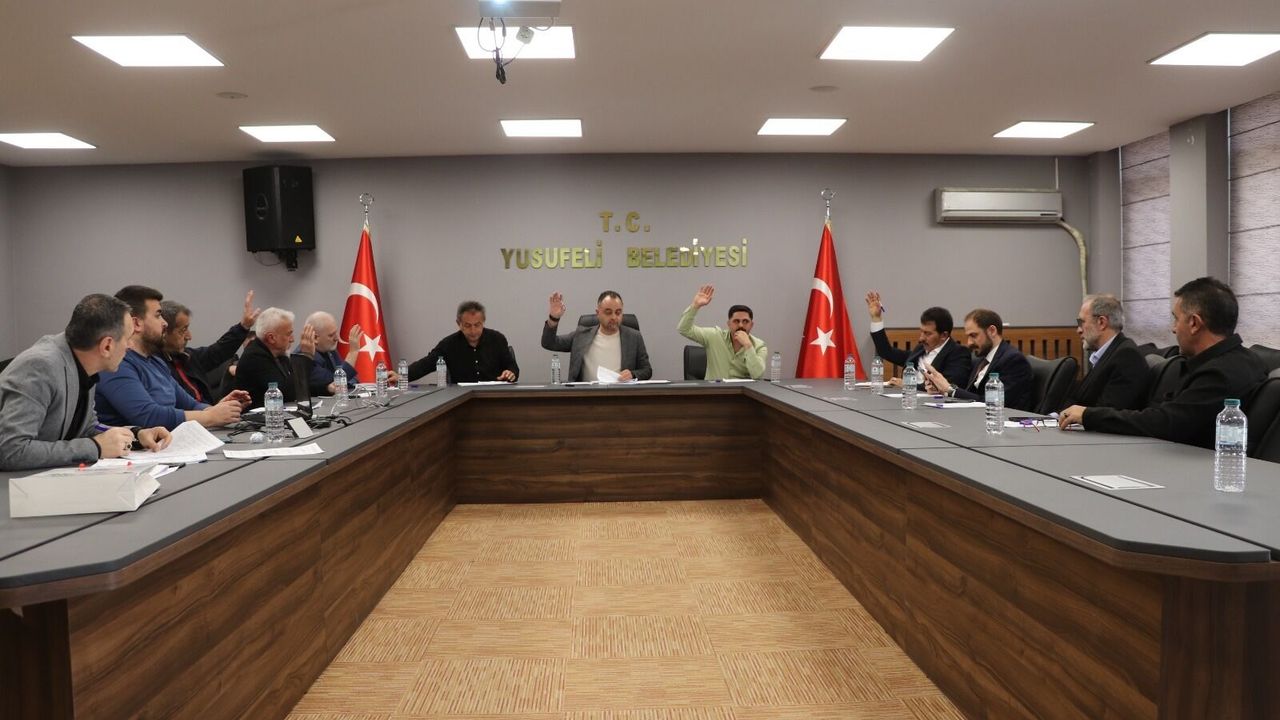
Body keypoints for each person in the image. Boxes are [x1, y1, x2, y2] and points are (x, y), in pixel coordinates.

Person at [1059, 277, 1268, 447]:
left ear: (1194, 323)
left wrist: (1089, 415)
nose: (1173, 329)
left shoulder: (1220, 374)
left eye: (1176, 319)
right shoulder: (1243, 360)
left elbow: (1166, 423)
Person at [0, 294, 171, 470]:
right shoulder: (40, 367)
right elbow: (10, 451)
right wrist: (95, 447)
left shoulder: (83, 362)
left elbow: (87, 428)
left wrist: (135, 435)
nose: (130, 346)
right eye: (128, 339)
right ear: (107, 346)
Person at [96, 286, 249, 429]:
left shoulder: (156, 362)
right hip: (135, 447)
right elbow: (148, 416)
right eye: (158, 315)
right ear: (136, 323)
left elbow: (191, 405)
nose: (164, 323)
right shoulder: (117, 365)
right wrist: (210, 416)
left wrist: (219, 410)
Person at [922, 308, 1034, 411]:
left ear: (992, 331)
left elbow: (995, 403)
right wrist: (942, 390)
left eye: (973, 335)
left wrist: (950, 390)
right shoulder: (981, 359)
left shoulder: (1013, 360)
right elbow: (970, 394)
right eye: (968, 336)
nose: (969, 343)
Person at [159, 291, 259, 404]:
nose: (189, 336)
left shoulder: (187, 356)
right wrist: (213, 411)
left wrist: (244, 326)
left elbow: (218, 351)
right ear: (164, 331)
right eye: (183, 330)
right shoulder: (155, 367)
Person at [1059, 294, 1148, 411]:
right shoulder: (1105, 354)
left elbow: (1108, 413)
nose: (1078, 330)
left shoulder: (1127, 356)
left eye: (1082, 322)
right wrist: (1053, 417)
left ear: (1101, 322)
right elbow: (1078, 400)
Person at [864, 290, 971, 388]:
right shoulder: (920, 350)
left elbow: (949, 387)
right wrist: (876, 318)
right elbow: (886, 352)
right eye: (921, 332)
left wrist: (909, 385)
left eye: (927, 333)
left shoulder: (958, 353)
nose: (921, 338)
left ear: (943, 335)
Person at [541, 290, 652, 382]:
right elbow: (549, 343)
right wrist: (553, 318)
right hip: (587, 397)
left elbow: (647, 370)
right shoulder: (581, 335)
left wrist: (632, 374)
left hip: (621, 396)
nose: (614, 317)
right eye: (608, 312)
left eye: (618, 312)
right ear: (598, 313)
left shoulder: (634, 337)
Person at [406, 301, 519, 384]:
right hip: (462, 399)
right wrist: (402, 376)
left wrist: (511, 373)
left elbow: (512, 366)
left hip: (494, 396)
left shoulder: (497, 339)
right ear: (458, 324)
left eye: (477, 325)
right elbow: (425, 365)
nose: (473, 331)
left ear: (483, 322)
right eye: (467, 325)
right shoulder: (449, 344)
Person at [677, 284, 767, 380]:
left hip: (741, 390)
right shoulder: (714, 336)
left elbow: (757, 375)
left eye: (745, 321)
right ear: (729, 324)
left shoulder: (759, 346)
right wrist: (695, 306)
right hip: (714, 389)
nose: (741, 325)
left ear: (751, 325)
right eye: (736, 321)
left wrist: (748, 346)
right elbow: (683, 329)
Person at [234, 307, 317, 407]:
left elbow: (300, 385)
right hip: (259, 415)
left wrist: (326, 387)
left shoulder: (279, 354)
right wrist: (306, 356)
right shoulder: (254, 357)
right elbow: (286, 394)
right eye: (289, 334)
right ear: (271, 338)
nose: (292, 339)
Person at [303, 311, 361, 395]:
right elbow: (337, 381)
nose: (337, 338)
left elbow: (352, 380)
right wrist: (353, 352)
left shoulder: (329, 350)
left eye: (336, 333)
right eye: (331, 335)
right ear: (315, 338)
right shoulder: (305, 356)